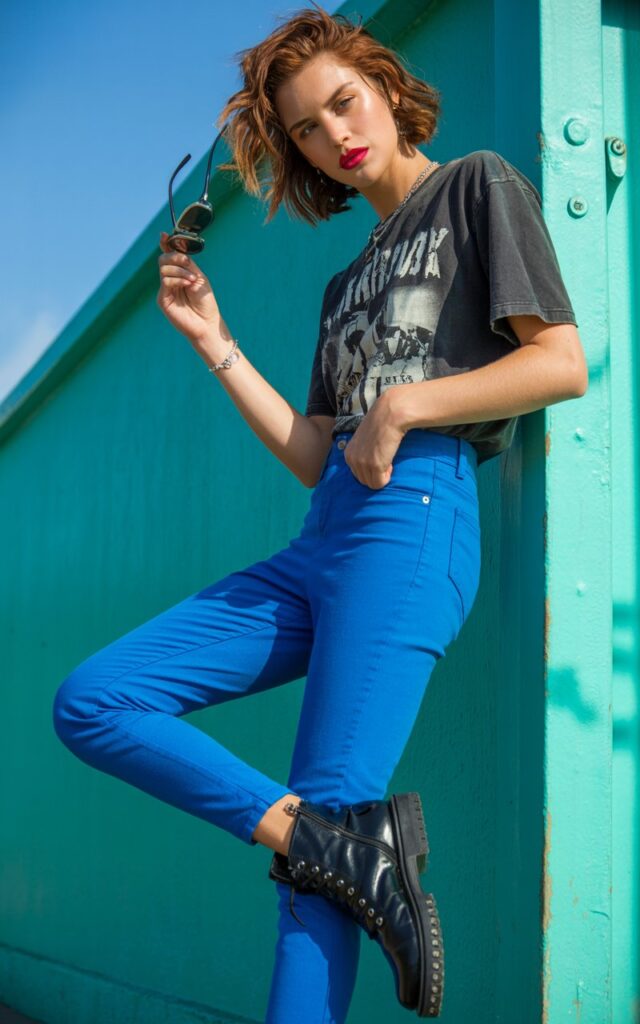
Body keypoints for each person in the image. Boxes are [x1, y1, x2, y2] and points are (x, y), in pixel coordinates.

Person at [52, 3, 588, 1021]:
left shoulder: (475, 186)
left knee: (321, 858)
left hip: (413, 516)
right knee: (95, 697)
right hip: (323, 538)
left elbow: (556, 363)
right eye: (304, 127)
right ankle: (334, 843)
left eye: (343, 103)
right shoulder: (344, 282)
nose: (333, 135)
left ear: (386, 88)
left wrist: (406, 403)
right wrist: (214, 342)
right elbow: (313, 451)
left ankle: (335, 845)